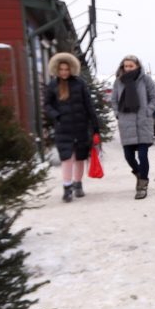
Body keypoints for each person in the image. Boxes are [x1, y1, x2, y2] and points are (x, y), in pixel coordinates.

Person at [44, 52, 99, 203]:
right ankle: (67, 188)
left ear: (71, 69)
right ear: (57, 69)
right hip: (63, 128)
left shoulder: (79, 83)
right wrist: (57, 115)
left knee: (80, 157)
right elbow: (47, 105)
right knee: (67, 157)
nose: (64, 72)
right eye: (61, 69)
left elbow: (89, 105)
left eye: (66, 69)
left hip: (81, 126)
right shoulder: (53, 85)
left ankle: (78, 184)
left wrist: (95, 126)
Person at [111, 55, 155, 199]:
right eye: (125, 66)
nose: (127, 68)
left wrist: (147, 111)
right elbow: (114, 100)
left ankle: (142, 185)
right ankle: (139, 173)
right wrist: (117, 114)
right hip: (126, 123)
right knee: (128, 156)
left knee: (143, 155)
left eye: (130, 66)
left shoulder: (145, 80)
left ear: (137, 66)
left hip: (143, 122)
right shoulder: (119, 82)